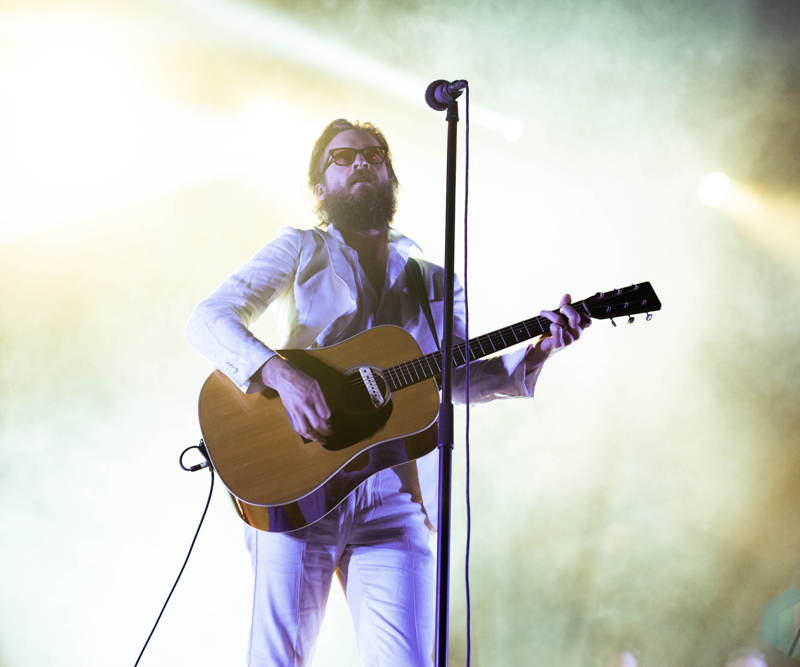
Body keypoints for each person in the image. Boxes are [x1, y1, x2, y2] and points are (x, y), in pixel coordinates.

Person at [185, 118, 590, 666]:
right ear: (319, 188)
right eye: (342, 158)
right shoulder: (301, 250)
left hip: (393, 496)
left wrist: (538, 351)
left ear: (391, 176)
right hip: (298, 481)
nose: (361, 165)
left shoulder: (434, 281)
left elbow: (456, 379)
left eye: (374, 156)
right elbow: (209, 318)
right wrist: (282, 374)